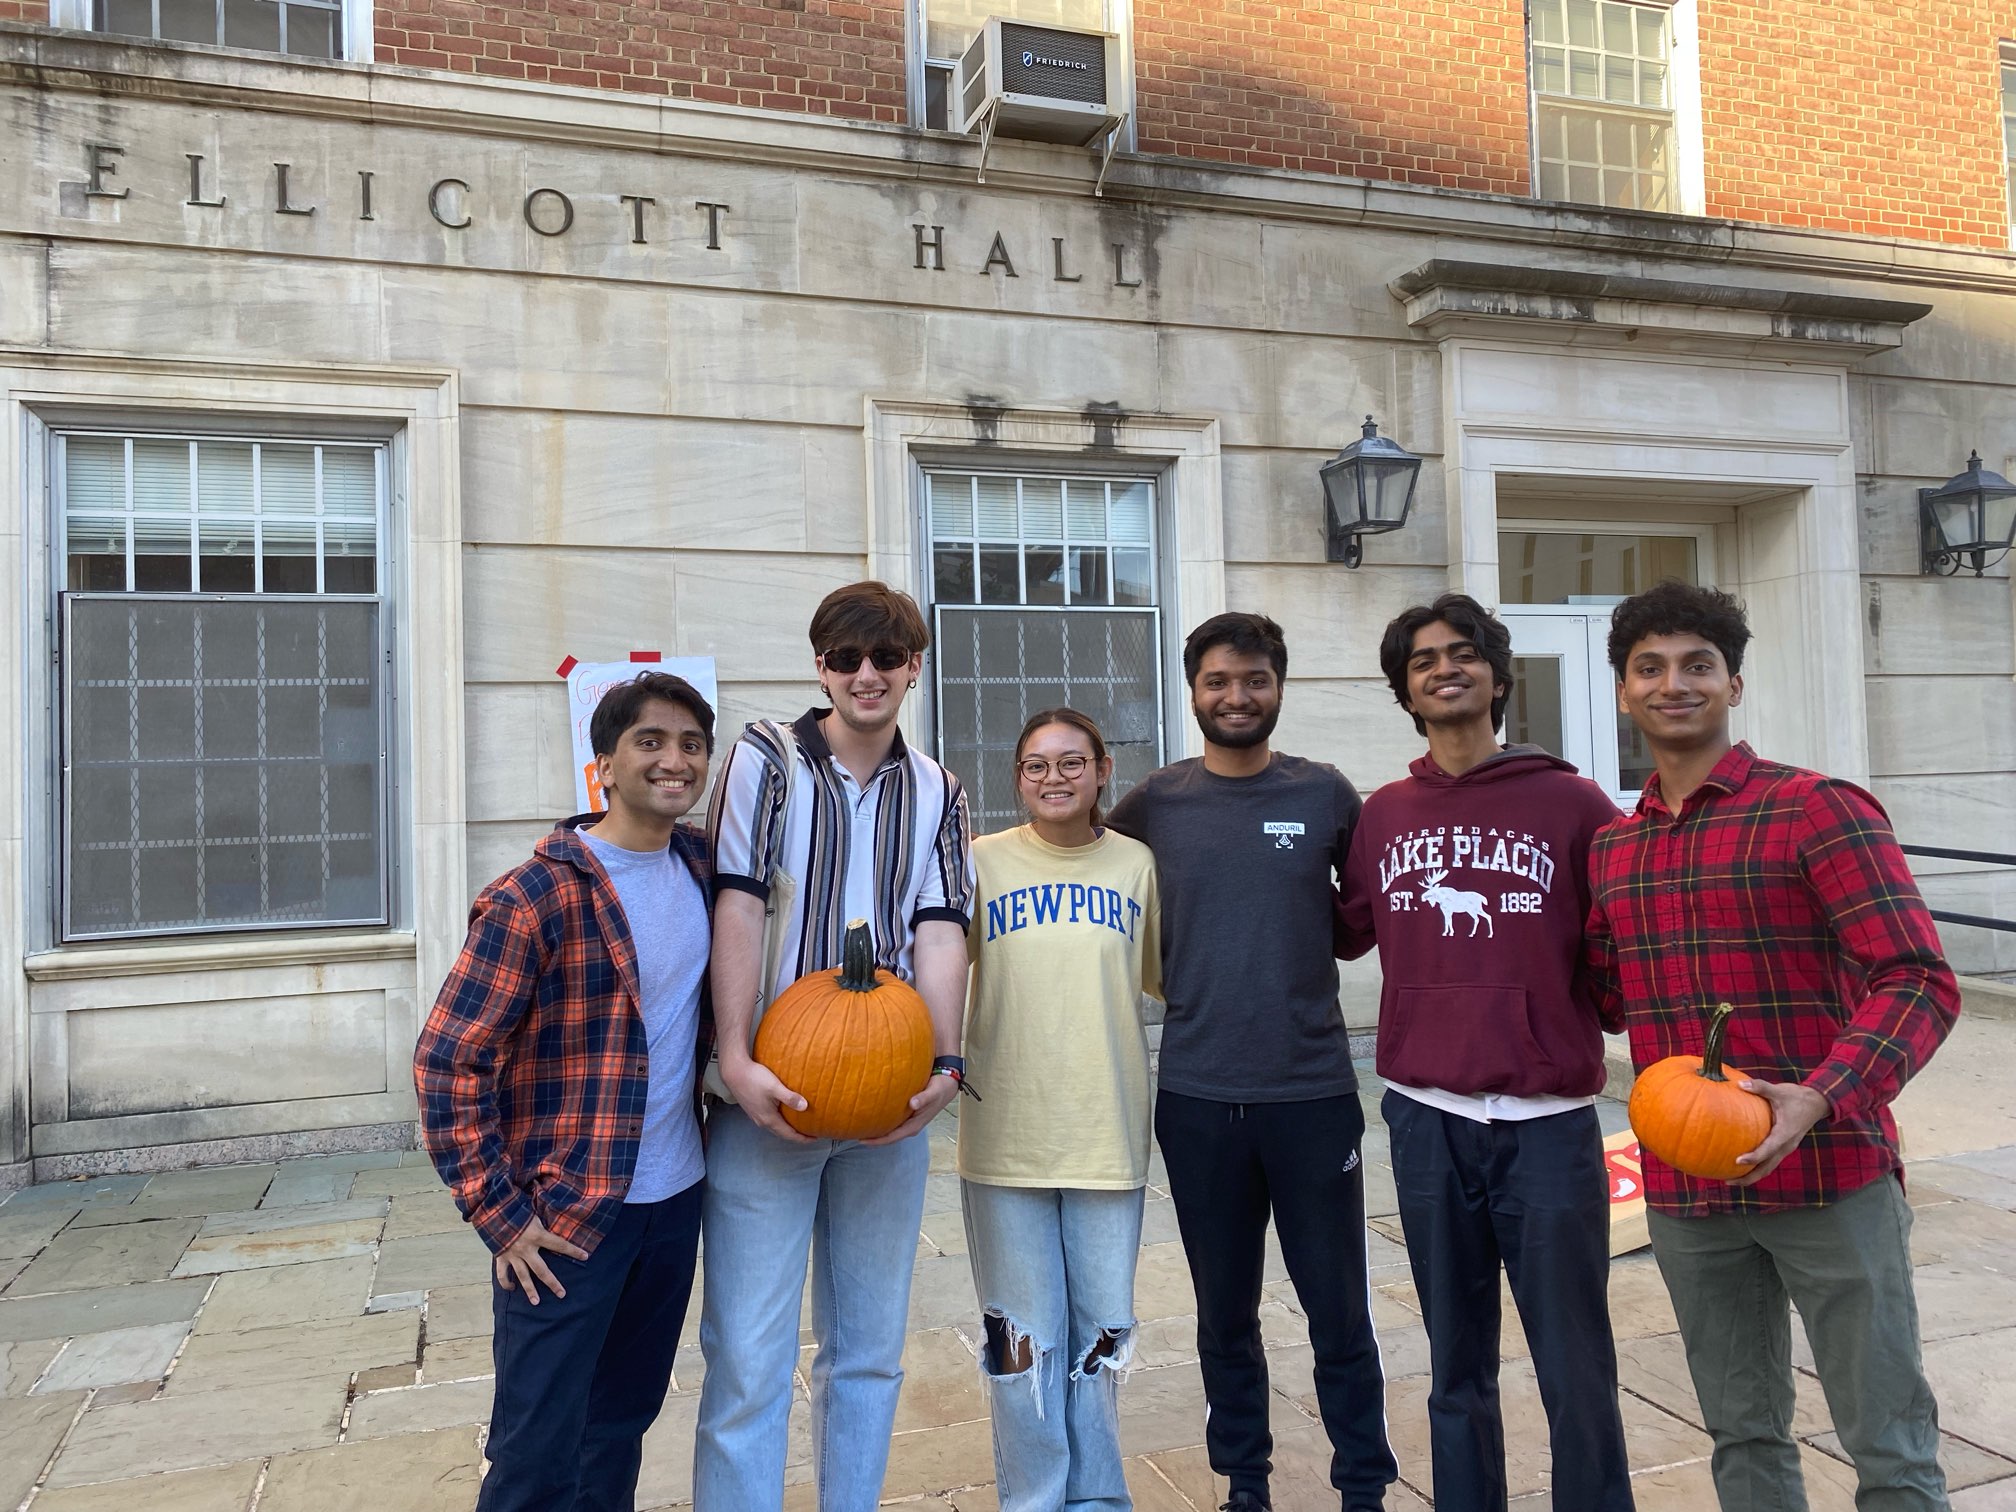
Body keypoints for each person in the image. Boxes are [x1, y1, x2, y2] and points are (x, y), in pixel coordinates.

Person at [1585, 581, 1960, 1511]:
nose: (1675, 684)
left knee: (1888, 1439)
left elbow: (1917, 978)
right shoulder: (1612, 850)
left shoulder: (1816, 809)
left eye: (1697, 666)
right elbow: (1600, 994)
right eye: (1650, 669)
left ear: (1734, 684)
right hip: (1686, 1192)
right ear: (1624, 692)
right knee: (1742, 1432)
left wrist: (1825, 1093)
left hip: (1831, 1180)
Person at [1335, 593, 1632, 1512]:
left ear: (1498, 678)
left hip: (1548, 1125)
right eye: (1422, 660)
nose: (1443, 668)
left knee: (1573, 1362)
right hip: (1428, 1120)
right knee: (1454, 1362)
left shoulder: (1575, 804)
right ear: (1406, 691)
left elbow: (1619, 951)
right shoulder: (1383, 814)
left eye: (1462, 653)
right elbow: (1341, 931)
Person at [695, 581, 975, 1512]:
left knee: (867, 1352)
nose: (867, 675)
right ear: (820, 665)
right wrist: (735, 1059)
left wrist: (944, 1062)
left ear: (912, 669)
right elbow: (735, 901)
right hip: (770, 1089)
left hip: (888, 1096)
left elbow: (939, 930)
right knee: (749, 1356)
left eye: (886, 658)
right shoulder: (765, 759)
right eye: (846, 658)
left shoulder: (938, 787)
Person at [1107, 611, 1396, 1512]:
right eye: (1219, 681)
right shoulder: (1156, 804)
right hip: (1196, 1096)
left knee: (1338, 1309)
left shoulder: (1327, 794)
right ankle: (1246, 1482)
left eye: (1255, 680)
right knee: (1223, 1314)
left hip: (1312, 1095)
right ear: (1192, 690)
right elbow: (1084, 875)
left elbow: (1371, 915)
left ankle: (1362, 1485)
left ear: (1280, 686)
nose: (1237, 696)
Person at [414, 671, 717, 1512]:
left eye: (691, 744)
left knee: (618, 1426)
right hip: (569, 1216)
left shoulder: (702, 869)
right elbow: (447, 1061)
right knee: (536, 1451)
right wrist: (502, 1216)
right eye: (649, 742)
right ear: (605, 765)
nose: (674, 761)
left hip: (673, 1200)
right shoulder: (534, 897)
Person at [960, 708, 1163, 1512]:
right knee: (1022, 1342)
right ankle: (1036, 1499)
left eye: (1072, 763)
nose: (1055, 778)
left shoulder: (1137, 866)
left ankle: (1100, 1500)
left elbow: (1158, 979)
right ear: (1018, 778)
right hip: (1005, 1134)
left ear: (1103, 770)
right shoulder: (980, 864)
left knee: (1103, 1336)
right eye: (1037, 765)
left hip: (1107, 1134)